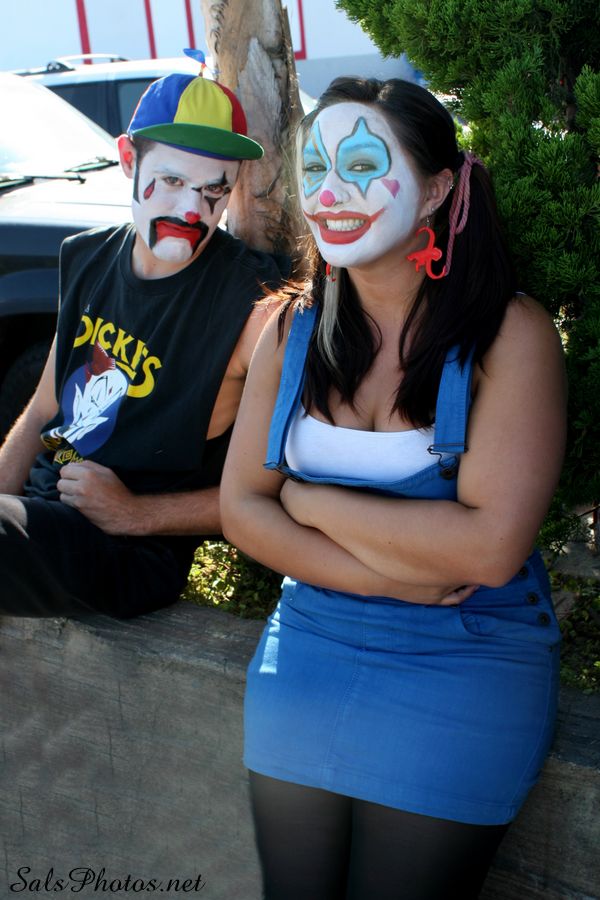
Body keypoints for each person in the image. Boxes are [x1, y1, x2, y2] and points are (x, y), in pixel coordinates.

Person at [220, 77, 567, 900]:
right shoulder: (290, 329)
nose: (331, 193)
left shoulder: (508, 335)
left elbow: (488, 550)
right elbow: (240, 510)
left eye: (363, 165)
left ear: (438, 189)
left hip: (465, 657)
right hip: (309, 646)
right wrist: (394, 577)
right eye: (316, 169)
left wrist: (307, 501)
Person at [0, 67, 286, 619]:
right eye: (173, 181)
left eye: (213, 191)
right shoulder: (87, 257)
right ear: (128, 159)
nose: (191, 211)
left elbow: (273, 489)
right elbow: (42, 409)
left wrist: (134, 514)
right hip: (41, 514)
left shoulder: (257, 305)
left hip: (125, 548)